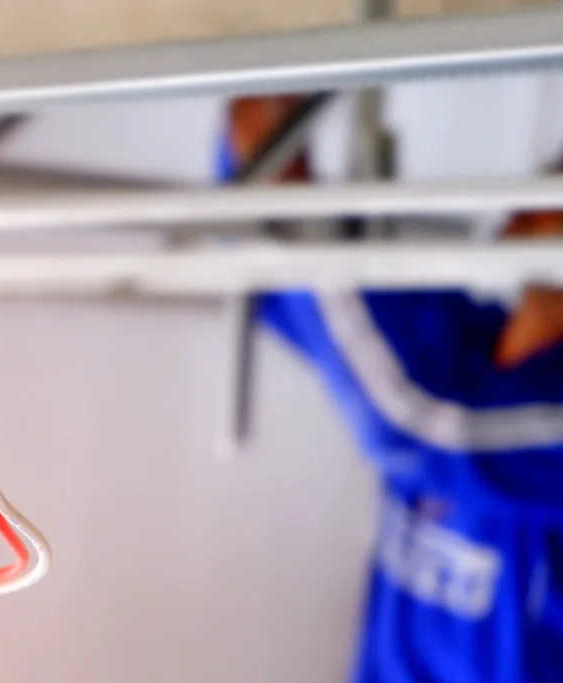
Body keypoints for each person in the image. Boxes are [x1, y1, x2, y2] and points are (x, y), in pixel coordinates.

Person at [223, 95, 563, 683]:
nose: (530, 198)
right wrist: (260, 152)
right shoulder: (465, 337)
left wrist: (290, 198)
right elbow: (287, 297)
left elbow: (417, 425)